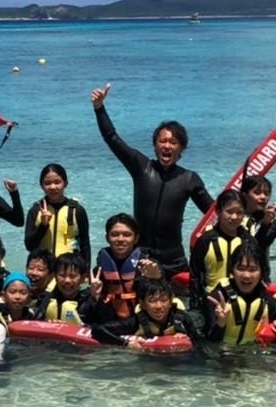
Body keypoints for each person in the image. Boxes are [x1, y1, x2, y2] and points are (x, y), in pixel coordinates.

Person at [90, 83, 212, 275]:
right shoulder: (141, 167)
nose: (167, 146)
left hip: (175, 260)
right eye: (162, 141)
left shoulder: (189, 179)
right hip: (140, 257)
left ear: (182, 148)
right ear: (155, 145)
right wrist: (99, 107)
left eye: (173, 142)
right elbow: (112, 138)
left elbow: (213, 214)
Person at [83, 212, 163, 325]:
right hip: (110, 320)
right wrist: (95, 295)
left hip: (141, 321)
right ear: (107, 238)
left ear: (136, 239)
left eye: (127, 234)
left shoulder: (149, 266)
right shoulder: (100, 270)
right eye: (115, 234)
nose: (120, 239)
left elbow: (165, 297)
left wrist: (157, 279)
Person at [206, 242, 276, 346]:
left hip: (253, 354)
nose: (246, 275)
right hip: (222, 354)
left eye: (253, 269)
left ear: (262, 273)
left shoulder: (267, 301)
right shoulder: (218, 298)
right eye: (241, 269)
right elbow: (209, 342)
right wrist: (221, 323)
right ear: (231, 270)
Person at [90, 277, 200, 349]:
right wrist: (126, 344)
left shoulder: (182, 319)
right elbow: (97, 329)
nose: (158, 306)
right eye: (152, 301)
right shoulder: (136, 322)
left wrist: (188, 339)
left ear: (171, 302)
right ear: (142, 304)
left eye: (163, 300)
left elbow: (200, 343)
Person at [189, 190, 248, 311]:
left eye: (240, 213)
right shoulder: (205, 240)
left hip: (241, 300)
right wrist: (197, 304)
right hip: (211, 301)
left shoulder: (248, 240)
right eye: (229, 212)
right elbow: (195, 275)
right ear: (218, 212)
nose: (234, 217)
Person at [23, 164, 91, 269]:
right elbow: (29, 246)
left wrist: (86, 271)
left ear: (65, 183)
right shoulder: (36, 210)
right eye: (47, 183)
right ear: (41, 185)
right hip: (43, 271)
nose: (52, 187)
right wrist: (43, 225)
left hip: (68, 271)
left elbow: (85, 244)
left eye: (57, 182)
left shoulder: (77, 210)